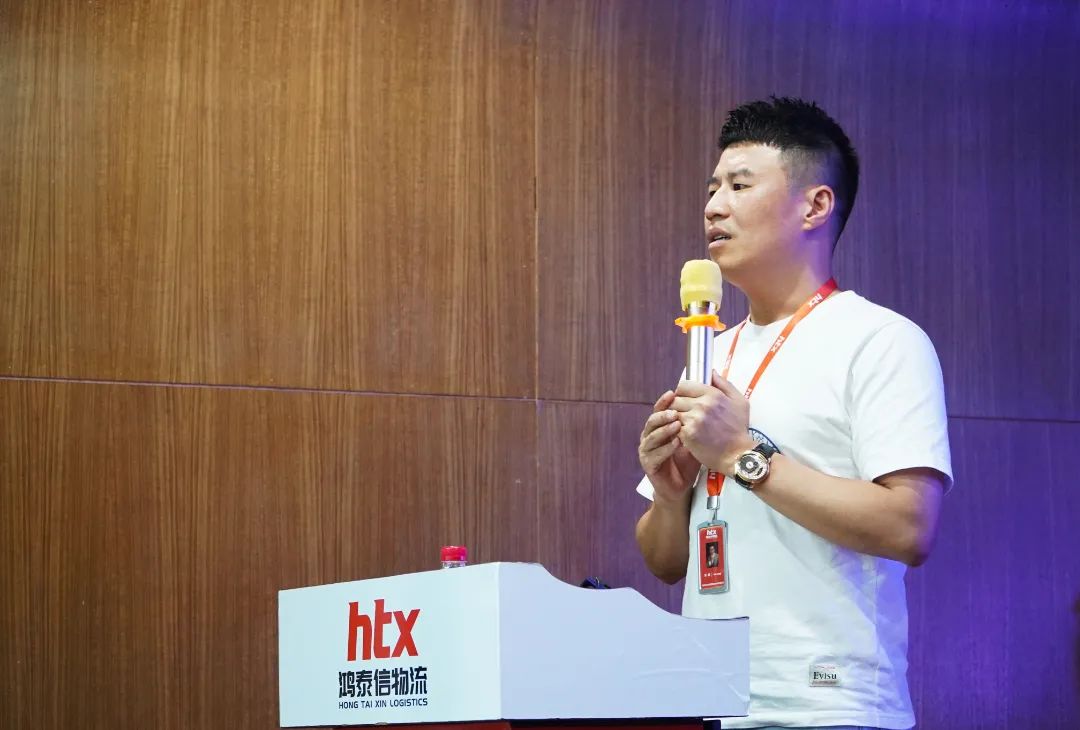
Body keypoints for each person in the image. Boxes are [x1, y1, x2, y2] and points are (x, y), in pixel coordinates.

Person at [634, 97, 953, 730]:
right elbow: (666, 563)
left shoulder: (880, 340)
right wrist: (669, 497)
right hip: (712, 700)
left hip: (829, 704)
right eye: (712, 188)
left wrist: (741, 456)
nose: (713, 206)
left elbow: (910, 527)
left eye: (739, 185)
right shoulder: (710, 353)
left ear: (815, 206)